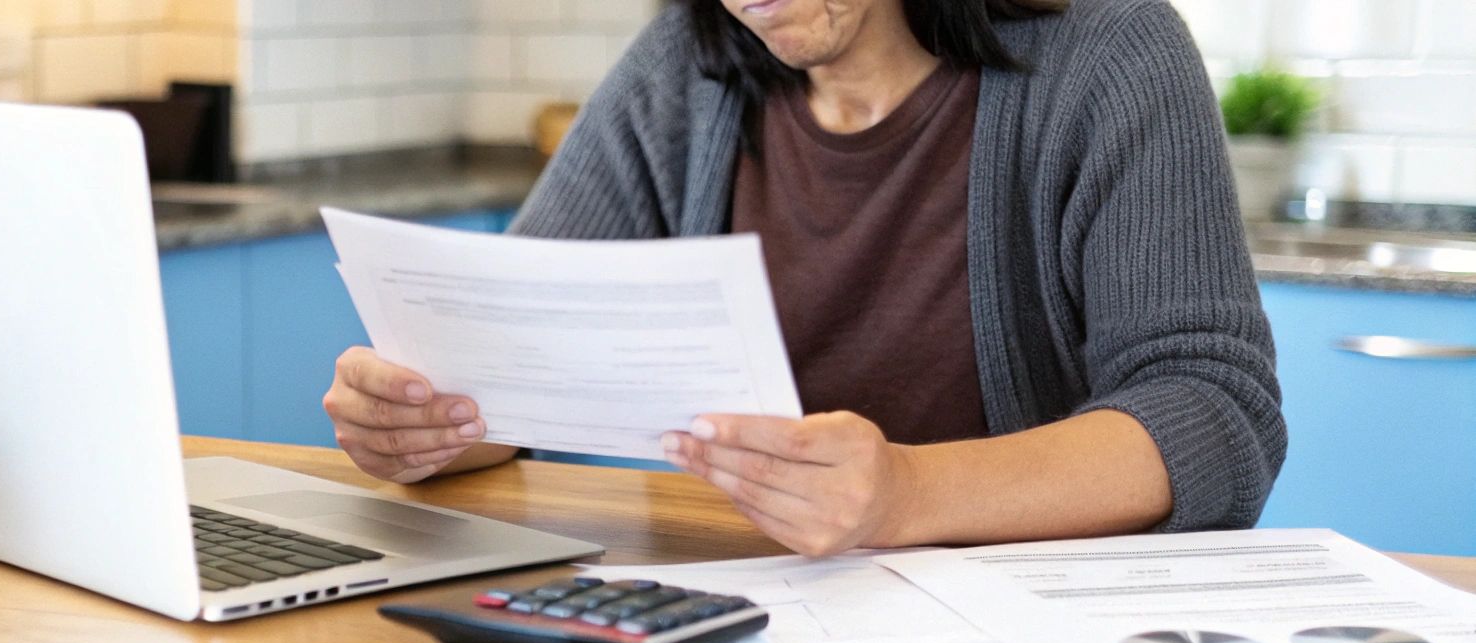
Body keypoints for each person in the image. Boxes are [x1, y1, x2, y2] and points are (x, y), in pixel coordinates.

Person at [321, 0, 1285, 556]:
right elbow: (517, 360)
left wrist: (907, 493)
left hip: (1029, 641)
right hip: (755, 630)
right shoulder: (684, 69)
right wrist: (429, 425)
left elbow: (1213, 411)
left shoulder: (1110, 51)